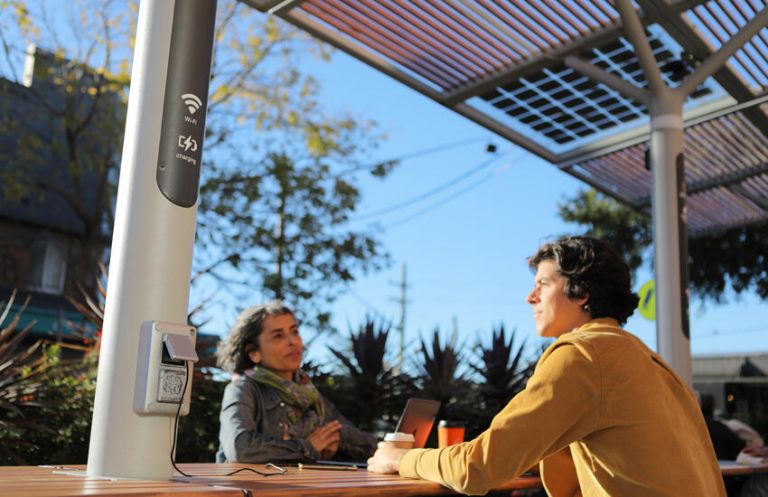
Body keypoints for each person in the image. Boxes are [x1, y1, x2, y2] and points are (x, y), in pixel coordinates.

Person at [368, 236, 726, 497]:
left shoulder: (582, 354)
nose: (530, 297)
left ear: (581, 292)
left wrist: (403, 459)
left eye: (543, 283)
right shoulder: (648, 360)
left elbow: (477, 469)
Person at [216, 301, 376, 463]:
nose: (292, 341)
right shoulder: (243, 389)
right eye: (278, 335)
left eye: (294, 331)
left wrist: (335, 440)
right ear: (254, 353)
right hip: (250, 488)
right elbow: (240, 448)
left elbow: (370, 447)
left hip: (303, 486)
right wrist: (307, 447)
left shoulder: (309, 394)